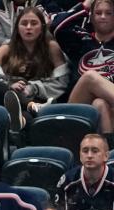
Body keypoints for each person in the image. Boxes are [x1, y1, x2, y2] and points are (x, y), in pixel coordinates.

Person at [0, 6, 69, 133]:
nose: (28, 27)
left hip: (39, 99)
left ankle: (25, 112)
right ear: (17, 28)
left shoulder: (52, 48)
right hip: (6, 101)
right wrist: (10, 85)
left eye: (34, 23)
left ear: (42, 27)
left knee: (25, 118)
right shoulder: (6, 49)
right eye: (24, 23)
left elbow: (62, 82)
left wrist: (33, 88)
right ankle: (29, 106)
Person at [54, 0, 114, 136]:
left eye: (108, 13)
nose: (103, 16)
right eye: (98, 13)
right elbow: (57, 26)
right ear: (91, 17)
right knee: (90, 77)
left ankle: (109, 152)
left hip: (111, 108)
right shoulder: (80, 41)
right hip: (79, 105)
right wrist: (86, 5)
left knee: (100, 103)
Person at [56, 133, 114, 210]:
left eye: (95, 151)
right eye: (85, 151)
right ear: (80, 155)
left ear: (106, 155)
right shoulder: (68, 180)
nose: (89, 155)